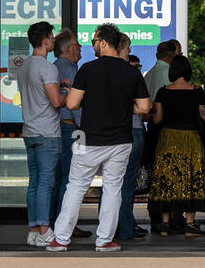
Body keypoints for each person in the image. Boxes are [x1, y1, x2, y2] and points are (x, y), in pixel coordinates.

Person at [49, 23, 150, 252]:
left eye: (94, 41)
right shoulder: (131, 71)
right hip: (121, 140)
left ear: (104, 42)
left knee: (75, 186)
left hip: (88, 137)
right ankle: (104, 240)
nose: (92, 45)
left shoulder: (87, 69)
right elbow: (144, 107)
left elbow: (72, 103)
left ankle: (61, 239)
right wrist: (123, 107)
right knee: (113, 188)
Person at [149, 54, 205, 237]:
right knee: (191, 177)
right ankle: (190, 223)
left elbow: (157, 118)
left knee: (167, 178)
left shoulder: (163, 91)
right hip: (190, 138)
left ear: (172, 71)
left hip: (168, 138)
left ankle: (165, 224)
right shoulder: (197, 91)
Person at [19, 20, 63, 247]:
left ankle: (34, 229)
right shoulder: (48, 67)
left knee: (34, 182)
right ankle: (45, 230)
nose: (54, 41)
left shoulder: (25, 66)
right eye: (52, 38)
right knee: (47, 182)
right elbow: (56, 101)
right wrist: (68, 93)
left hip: (30, 131)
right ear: (45, 40)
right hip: (47, 132)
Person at [49, 28, 90, 238]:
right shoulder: (71, 70)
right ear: (68, 49)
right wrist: (84, 129)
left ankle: (55, 222)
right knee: (70, 178)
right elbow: (77, 105)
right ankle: (66, 225)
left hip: (57, 128)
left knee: (58, 179)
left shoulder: (54, 67)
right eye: (77, 44)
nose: (81, 48)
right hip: (70, 129)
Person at [143, 40, 178, 229]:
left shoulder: (150, 74)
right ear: (171, 56)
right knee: (168, 174)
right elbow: (168, 106)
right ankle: (167, 217)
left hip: (152, 129)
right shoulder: (167, 74)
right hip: (166, 129)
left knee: (155, 174)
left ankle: (156, 215)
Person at [117, 45, 148, 240]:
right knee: (125, 183)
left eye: (139, 66)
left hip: (126, 130)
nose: (137, 69)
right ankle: (125, 227)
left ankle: (125, 224)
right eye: (133, 64)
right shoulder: (131, 79)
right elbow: (145, 107)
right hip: (132, 130)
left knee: (121, 183)